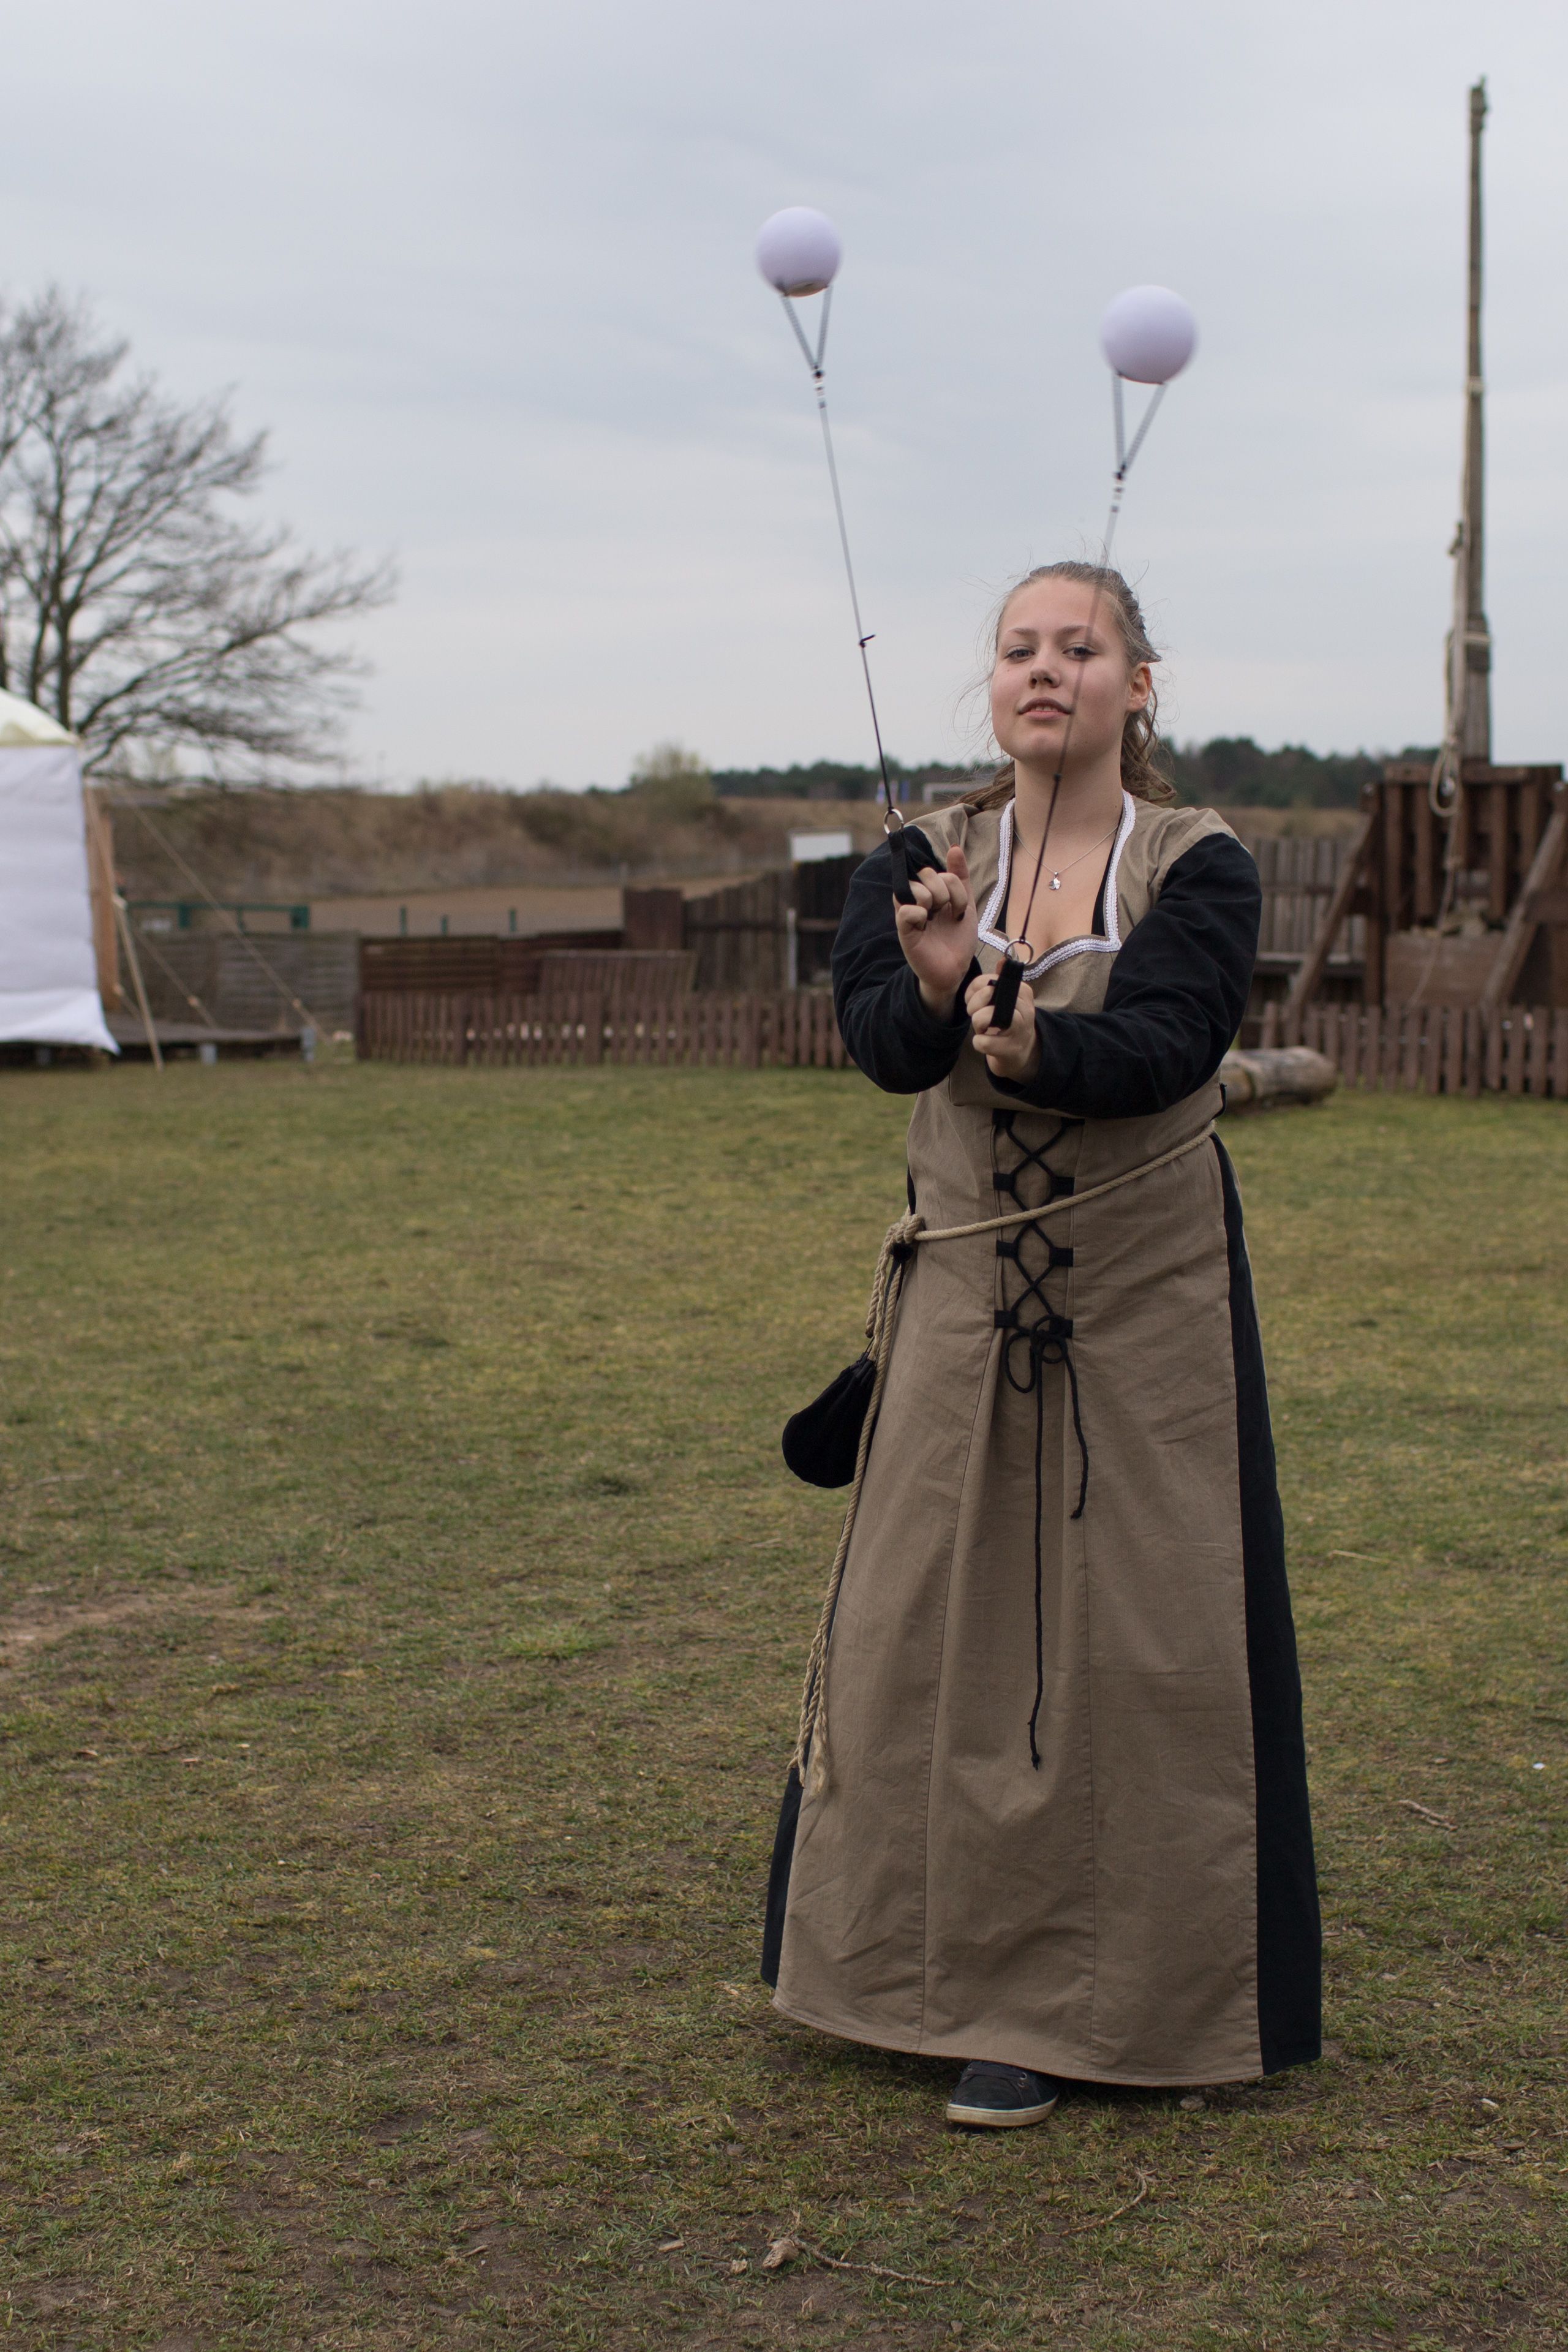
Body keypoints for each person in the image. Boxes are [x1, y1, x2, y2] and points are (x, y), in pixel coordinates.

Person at [763, 561, 1321, 2129]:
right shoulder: (917, 861)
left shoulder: (1195, 866)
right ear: (991, 681)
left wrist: (1026, 1036)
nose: (1043, 668)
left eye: (1079, 647)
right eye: (1018, 647)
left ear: (1135, 685)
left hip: (1144, 1311)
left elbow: (1168, 1045)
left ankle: (1108, 2001)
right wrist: (941, 986)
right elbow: (881, 1048)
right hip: (959, 1311)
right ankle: (903, 1974)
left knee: (1140, 1648)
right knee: (915, 1638)